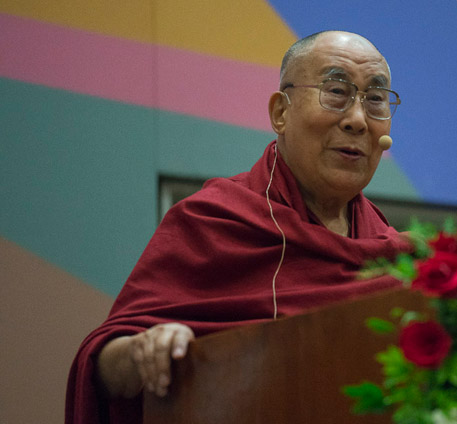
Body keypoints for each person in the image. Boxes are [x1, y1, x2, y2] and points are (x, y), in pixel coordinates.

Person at [65, 30, 407, 423]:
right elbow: (105, 364)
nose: (358, 120)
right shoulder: (214, 220)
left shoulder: (400, 259)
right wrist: (143, 351)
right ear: (281, 112)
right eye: (336, 92)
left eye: (375, 100)